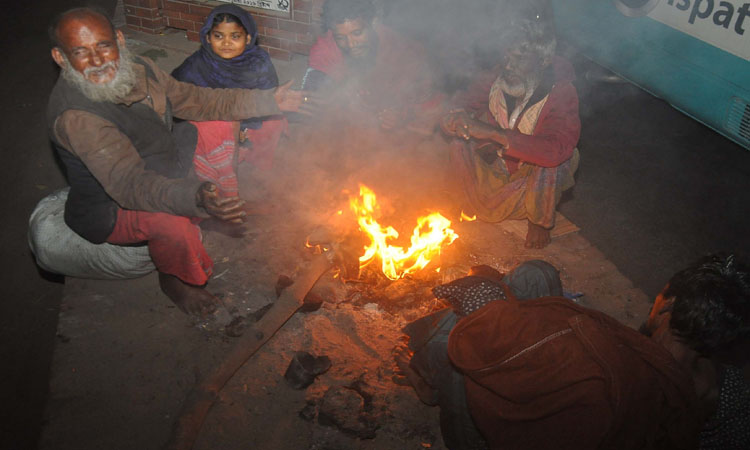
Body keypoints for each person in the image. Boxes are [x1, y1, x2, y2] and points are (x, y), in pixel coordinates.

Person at [42, 7, 307, 317]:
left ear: (119, 40)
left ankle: (221, 207)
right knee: (170, 220)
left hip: (161, 160)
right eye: (80, 52)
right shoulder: (78, 117)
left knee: (218, 123)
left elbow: (198, 100)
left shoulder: (139, 68)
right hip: (113, 205)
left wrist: (268, 100)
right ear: (61, 59)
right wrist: (192, 196)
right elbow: (132, 185)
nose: (99, 61)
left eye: (103, 46)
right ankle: (175, 279)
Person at [394, 254, 750, 449]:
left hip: (523, 431)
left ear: (668, 304)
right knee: (537, 273)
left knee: (461, 352)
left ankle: (432, 390)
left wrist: (483, 299)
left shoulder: (608, 362)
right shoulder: (730, 389)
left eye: (660, 295)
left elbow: (501, 342)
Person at [440, 7, 579, 249]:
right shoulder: (496, 77)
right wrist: (453, 119)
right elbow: (463, 103)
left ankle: (539, 221)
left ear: (543, 60)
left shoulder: (561, 92)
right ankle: (465, 198)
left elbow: (556, 147)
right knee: (458, 137)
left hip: (531, 179)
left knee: (558, 159)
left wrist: (492, 132)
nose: (509, 66)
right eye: (506, 57)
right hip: (500, 167)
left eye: (520, 59)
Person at [171, 4, 287, 194]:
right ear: (207, 38)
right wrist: (231, 125)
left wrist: (244, 127)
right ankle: (221, 183)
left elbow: (269, 96)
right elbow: (176, 101)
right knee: (218, 129)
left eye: (235, 36)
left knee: (275, 122)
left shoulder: (258, 62)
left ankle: (256, 170)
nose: (226, 43)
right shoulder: (196, 65)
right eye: (218, 36)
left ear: (248, 38)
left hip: (250, 122)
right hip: (211, 123)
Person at [302, 0, 441, 133]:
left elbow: (425, 97)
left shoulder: (399, 47)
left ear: (373, 23)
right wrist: (311, 98)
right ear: (332, 32)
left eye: (357, 33)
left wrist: (401, 114)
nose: (351, 44)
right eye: (340, 38)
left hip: (392, 126)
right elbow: (315, 88)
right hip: (349, 123)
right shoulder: (325, 48)